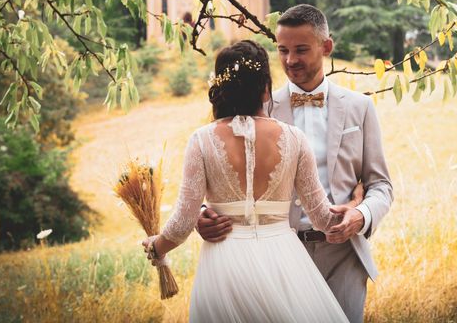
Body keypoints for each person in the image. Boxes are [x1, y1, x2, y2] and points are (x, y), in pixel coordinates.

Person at [197, 4, 394, 323]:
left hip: (345, 255)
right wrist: (203, 215)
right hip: (277, 256)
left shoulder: (360, 108)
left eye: (301, 49)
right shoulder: (257, 107)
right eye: (283, 50)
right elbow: (225, 171)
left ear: (326, 46)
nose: (290, 61)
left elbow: (381, 185)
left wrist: (361, 214)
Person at [141, 39, 353, 322]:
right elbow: (324, 219)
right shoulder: (294, 138)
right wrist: (357, 202)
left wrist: (157, 247)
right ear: (265, 89)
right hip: (284, 261)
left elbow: (182, 222)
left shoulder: (202, 139)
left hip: (225, 264)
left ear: (220, 86)